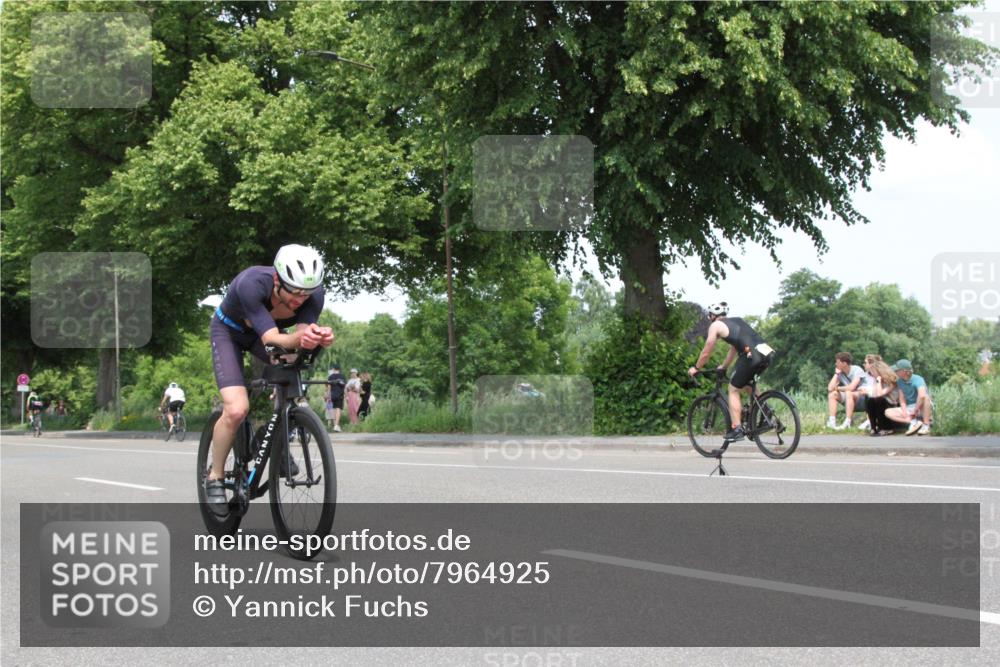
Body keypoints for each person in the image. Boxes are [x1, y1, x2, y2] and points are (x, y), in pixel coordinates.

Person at [205, 244, 335, 515]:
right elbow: (273, 339)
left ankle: (271, 434)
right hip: (229, 333)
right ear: (277, 280)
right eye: (295, 292)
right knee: (237, 408)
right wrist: (300, 339)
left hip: (264, 336)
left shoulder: (314, 296)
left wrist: (316, 338)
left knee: (292, 366)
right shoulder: (251, 284)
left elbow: (299, 338)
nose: (301, 300)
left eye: (306, 294)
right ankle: (215, 476)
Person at [687, 302, 774, 442]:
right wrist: (724, 366)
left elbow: (707, 348)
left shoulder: (715, 325)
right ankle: (765, 408)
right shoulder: (737, 321)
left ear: (711, 316)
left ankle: (737, 428)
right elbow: (734, 349)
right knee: (746, 384)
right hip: (766, 353)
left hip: (751, 356)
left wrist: (696, 368)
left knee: (733, 389)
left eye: (710, 316)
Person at [884, 359, 933, 436]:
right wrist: (904, 412)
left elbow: (922, 395)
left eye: (897, 370)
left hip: (921, 406)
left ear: (904, 371)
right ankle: (913, 422)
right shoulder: (900, 381)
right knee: (888, 412)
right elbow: (902, 399)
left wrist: (915, 410)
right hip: (909, 408)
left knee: (926, 397)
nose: (895, 372)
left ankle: (926, 425)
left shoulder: (918, 379)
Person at [826, 352, 866, 429]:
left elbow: (852, 387)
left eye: (837, 362)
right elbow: (830, 388)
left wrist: (838, 388)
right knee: (832, 394)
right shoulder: (840, 373)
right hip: (849, 397)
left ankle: (847, 422)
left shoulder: (857, 369)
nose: (835, 364)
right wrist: (836, 374)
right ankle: (832, 422)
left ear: (844, 363)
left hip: (862, 397)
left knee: (848, 392)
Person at [864, 360, 901, 436]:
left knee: (879, 400)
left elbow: (880, 394)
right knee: (870, 400)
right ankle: (873, 428)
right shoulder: (877, 381)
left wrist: (878, 382)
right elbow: (874, 395)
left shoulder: (892, 381)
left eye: (873, 372)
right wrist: (877, 382)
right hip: (881, 403)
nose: (872, 374)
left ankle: (885, 428)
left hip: (892, 405)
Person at [325, 364, 346, 432]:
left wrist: (328, 396)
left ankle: (335, 425)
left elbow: (329, 387)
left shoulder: (330, 377)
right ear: (339, 369)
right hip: (340, 395)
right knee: (338, 409)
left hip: (332, 395)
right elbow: (344, 386)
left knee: (334, 409)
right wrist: (346, 395)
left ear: (334, 369)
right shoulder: (342, 376)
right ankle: (336, 425)